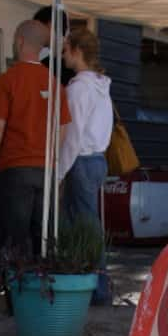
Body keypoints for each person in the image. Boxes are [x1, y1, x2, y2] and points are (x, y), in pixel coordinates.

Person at [0, 20, 71, 259]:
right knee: (44, 241)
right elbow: (63, 128)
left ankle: (16, 293)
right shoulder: (55, 83)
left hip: (15, 169)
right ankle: (41, 292)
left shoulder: (8, 79)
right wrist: (52, 161)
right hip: (46, 170)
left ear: (19, 42)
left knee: (13, 240)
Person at [59, 27, 113, 226]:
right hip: (98, 159)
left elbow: (72, 137)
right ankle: (92, 258)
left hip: (81, 160)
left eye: (65, 50)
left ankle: (93, 259)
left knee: (82, 223)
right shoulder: (101, 86)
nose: (62, 55)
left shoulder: (79, 88)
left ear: (77, 51)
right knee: (86, 220)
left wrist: (59, 172)